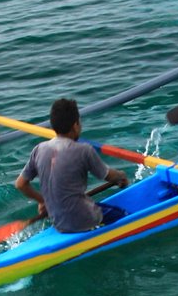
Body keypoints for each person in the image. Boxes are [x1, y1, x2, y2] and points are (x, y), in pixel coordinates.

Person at [15, 98, 132, 233]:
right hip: (85, 220)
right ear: (75, 125)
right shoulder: (84, 150)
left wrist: (43, 201)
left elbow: (20, 184)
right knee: (124, 215)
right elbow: (109, 176)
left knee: (97, 206)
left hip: (58, 222)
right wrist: (121, 176)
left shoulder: (38, 150)